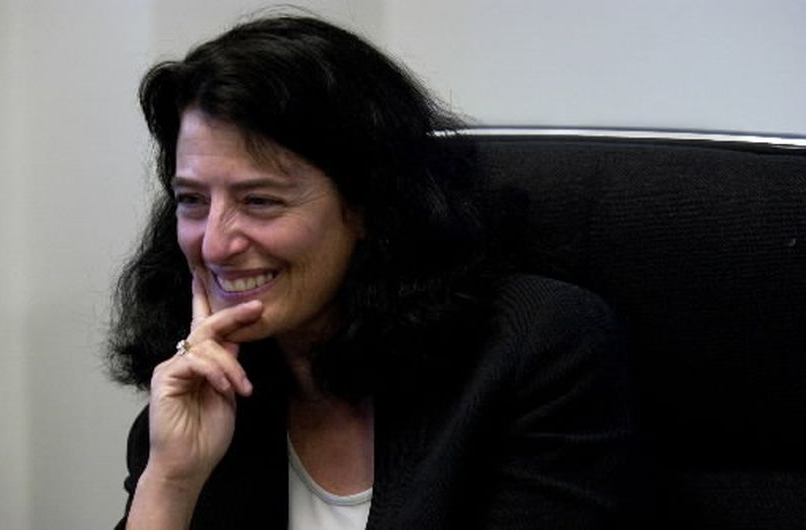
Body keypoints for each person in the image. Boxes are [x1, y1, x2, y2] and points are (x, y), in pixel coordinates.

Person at [108, 14, 637, 530]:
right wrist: (172, 480)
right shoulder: (201, 395)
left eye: (261, 200)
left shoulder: (536, 349)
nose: (216, 243)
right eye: (192, 200)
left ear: (366, 205)